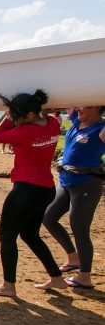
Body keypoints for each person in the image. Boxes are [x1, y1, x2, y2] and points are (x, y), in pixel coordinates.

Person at [0, 89, 66, 297]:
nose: (17, 120)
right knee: (30, 234)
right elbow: (47, 115)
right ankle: (57, 278)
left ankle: (8, 286)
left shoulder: (25, 131)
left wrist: (7, 119)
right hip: (46, 189)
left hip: (26, 189)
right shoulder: (53, 124)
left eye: (18, 117)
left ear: (30, 115)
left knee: (7, 235)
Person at [43, 105, 105, 289]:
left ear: (97, 108)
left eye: (85, 106)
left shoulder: (100, 129)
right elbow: (70, 99)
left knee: (79, 227)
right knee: (48, 217)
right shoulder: (78, 121)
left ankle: (84, 276)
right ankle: (73, 257)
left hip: (87, 184)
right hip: (66, 182)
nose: (78, 109)